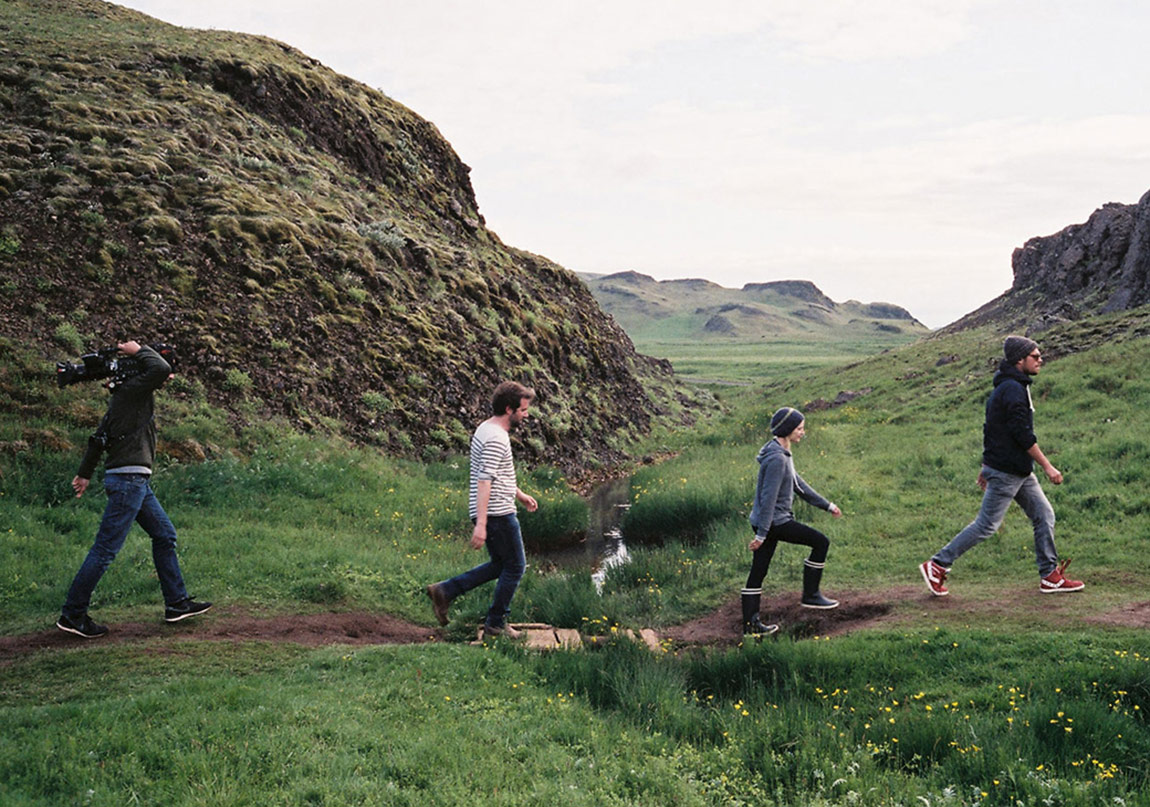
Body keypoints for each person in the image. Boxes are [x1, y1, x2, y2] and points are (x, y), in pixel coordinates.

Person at [56, 341, 210, 638]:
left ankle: (176, 603)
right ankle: (73, 614)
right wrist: (138, 349)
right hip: (129, 482)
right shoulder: (132, 392)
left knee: (165, 535)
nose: (170, 377)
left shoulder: (124, 397)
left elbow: (99, 437)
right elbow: (160, 368)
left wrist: (84, 474)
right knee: (105, 550)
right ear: (138, 373)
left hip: (133, 481)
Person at [920, 335, 1083, 597]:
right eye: (1035, 356)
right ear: (1020, 360)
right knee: (986, 525)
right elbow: (1022, 435)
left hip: (1017, 470)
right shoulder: (1012, 390)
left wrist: (986, 465)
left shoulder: (1012, 386)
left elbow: (992, 429)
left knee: (1044, 515)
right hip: (1008, 471)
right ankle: (938, 564)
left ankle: (1050, 576)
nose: (1041, 359)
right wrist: (1048, 467)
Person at [426, 381, 538, 639]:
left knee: (500, 564)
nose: (526, 414)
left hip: (499, 508)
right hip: (498, 513)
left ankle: (446, 591)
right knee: (516, 567)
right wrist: (481, 524)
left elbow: (497, 474)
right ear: (509, 409)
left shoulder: (486, 429)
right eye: (522, 410)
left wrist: (519, 494)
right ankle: (496, 624)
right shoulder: (496, 438)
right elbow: (484, 480)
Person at [743, 406, 843, 635]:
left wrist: (827, 505)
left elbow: (798, 485)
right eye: (799, 428)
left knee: (758, 571)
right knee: (820, 542)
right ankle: (811, 596)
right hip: (775, 523)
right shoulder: (777, 459)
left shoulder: (780, 450)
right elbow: (768, 499)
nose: (803, 432)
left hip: (766, 522)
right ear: (788, 429)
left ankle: (750, 625)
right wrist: (761, 535)